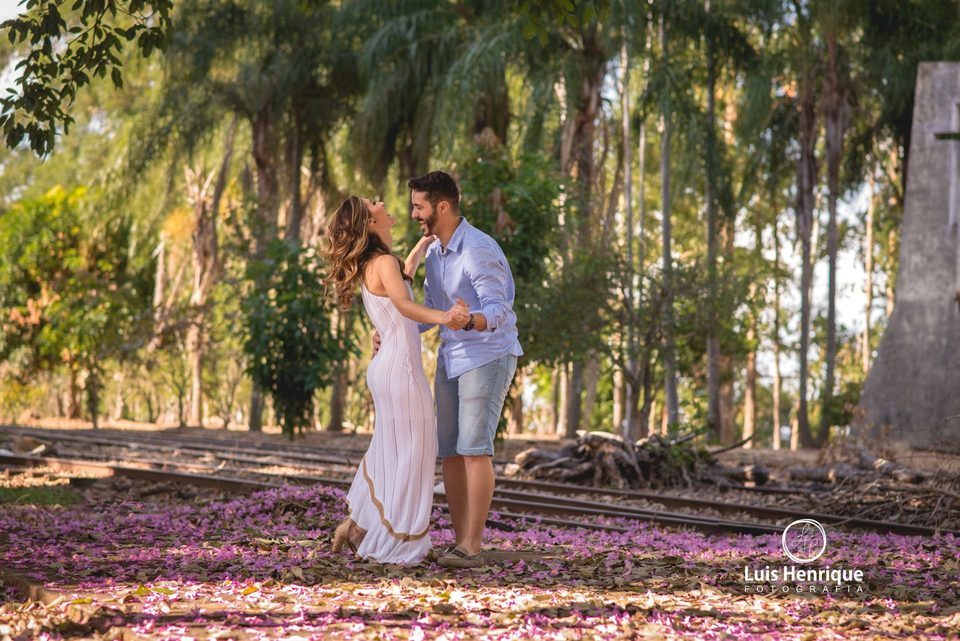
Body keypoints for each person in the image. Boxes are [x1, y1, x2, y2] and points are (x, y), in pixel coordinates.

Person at [376, 171, 522, 568]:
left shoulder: (477, 249)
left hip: (487, 355)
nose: (413, 214)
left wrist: (467, 320)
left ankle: (472, 545)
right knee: (452, 453)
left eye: (418, 206)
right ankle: (461, 541)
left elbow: (498, 311)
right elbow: (429, 316)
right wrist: (393, 331)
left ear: (442, 206)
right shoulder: (436, 252)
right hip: (452, 358)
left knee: (475, 449)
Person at [324, 195, 469, 564]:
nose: (383, 203)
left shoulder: (376, 263)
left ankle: (358, 527)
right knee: (413, 453)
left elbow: (401, 281)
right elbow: (404, 305)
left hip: (387, 367)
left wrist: (422, 245)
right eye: (375, 205)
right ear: (371, 223)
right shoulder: (384, 262)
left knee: (395, 449)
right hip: (401, 370)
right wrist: (445, 316)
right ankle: (397, 542)